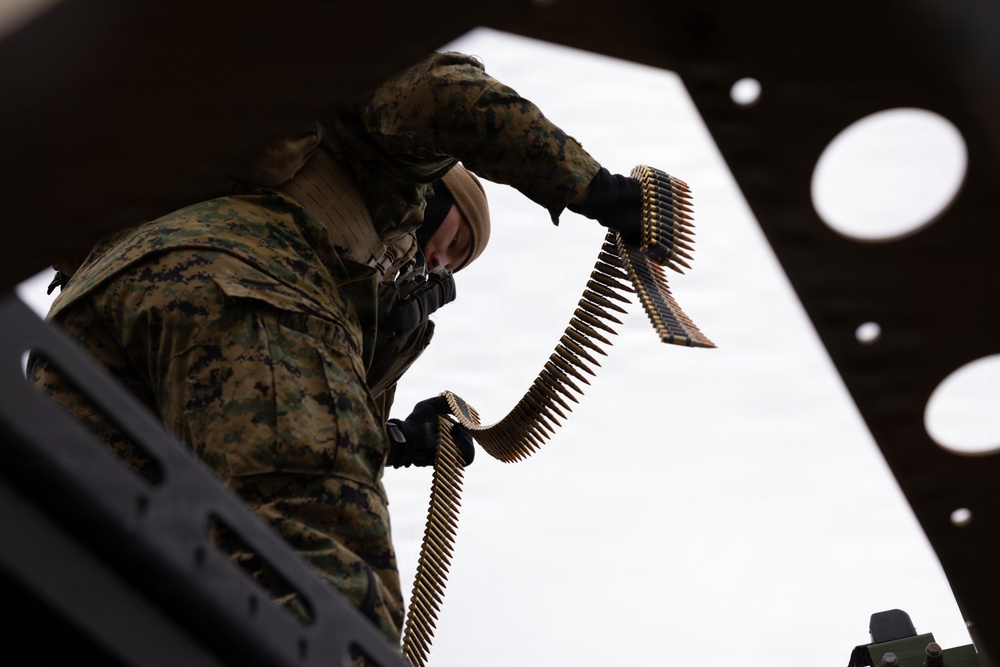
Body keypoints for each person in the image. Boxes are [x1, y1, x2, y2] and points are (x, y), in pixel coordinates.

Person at [30, 51, 646, 647]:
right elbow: (444, 93)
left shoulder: (364, 283)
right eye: (456, 243)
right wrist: (594, 189)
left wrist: (399, 440)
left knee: (93, 578)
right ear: (445, 194)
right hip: (239, 278)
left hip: (84, 323)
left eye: (455, 264)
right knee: (321, 574)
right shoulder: (394, 159)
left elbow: (286, 421)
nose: (440, 261)